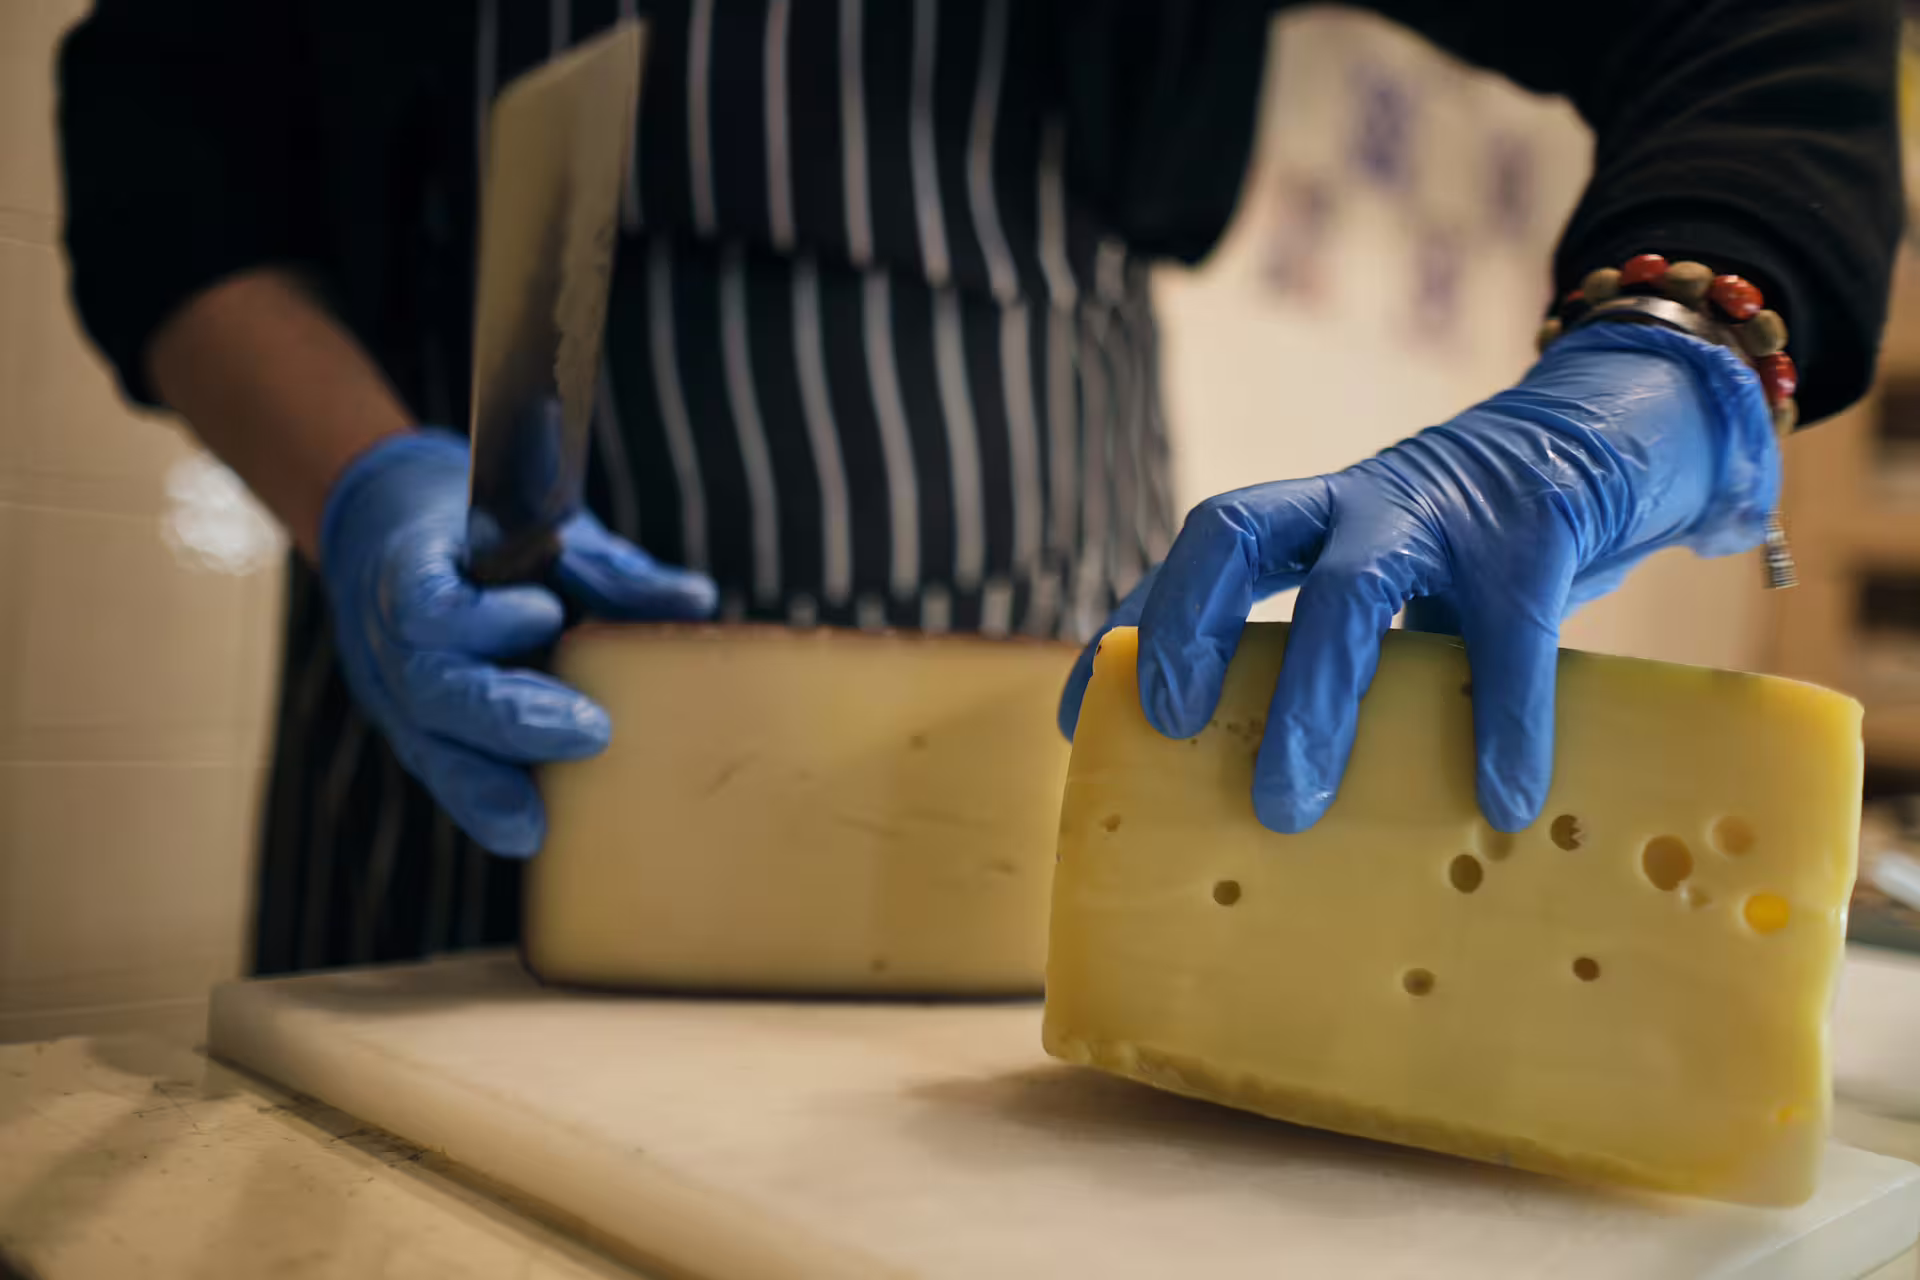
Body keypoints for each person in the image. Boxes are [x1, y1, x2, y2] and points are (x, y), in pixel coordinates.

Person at [57, 0, 1901, 974]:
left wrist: (1661, 353)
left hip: (1028, 814)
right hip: (458, 786)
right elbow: (163, 158)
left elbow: (1753, 19)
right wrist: (369, 479)